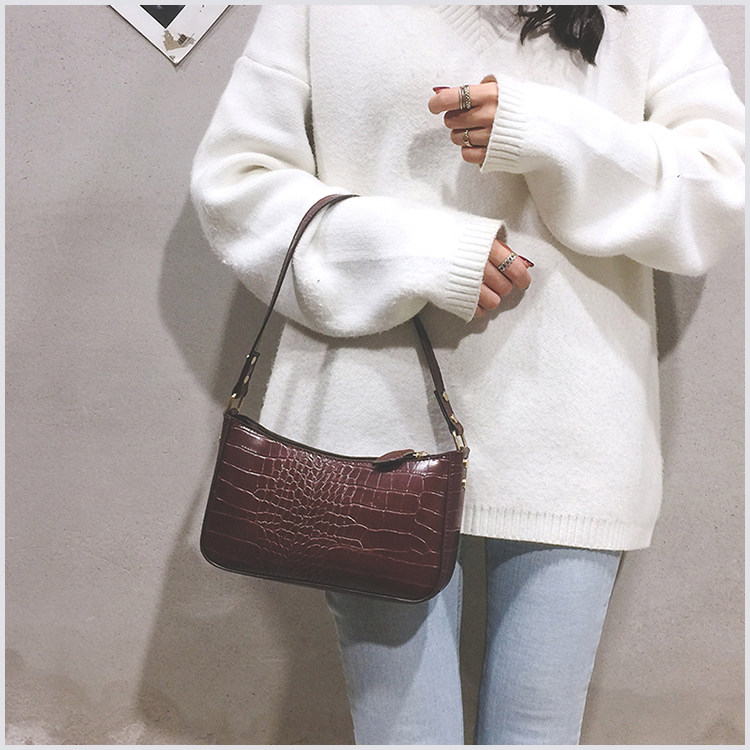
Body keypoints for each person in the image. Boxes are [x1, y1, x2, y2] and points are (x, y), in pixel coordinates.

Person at [190, 5, 744, 744]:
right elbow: (237, 185)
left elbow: (714, 192)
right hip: (373, 434)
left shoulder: (649, 13)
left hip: (574, 435)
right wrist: (418, 253)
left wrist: (550, 130)